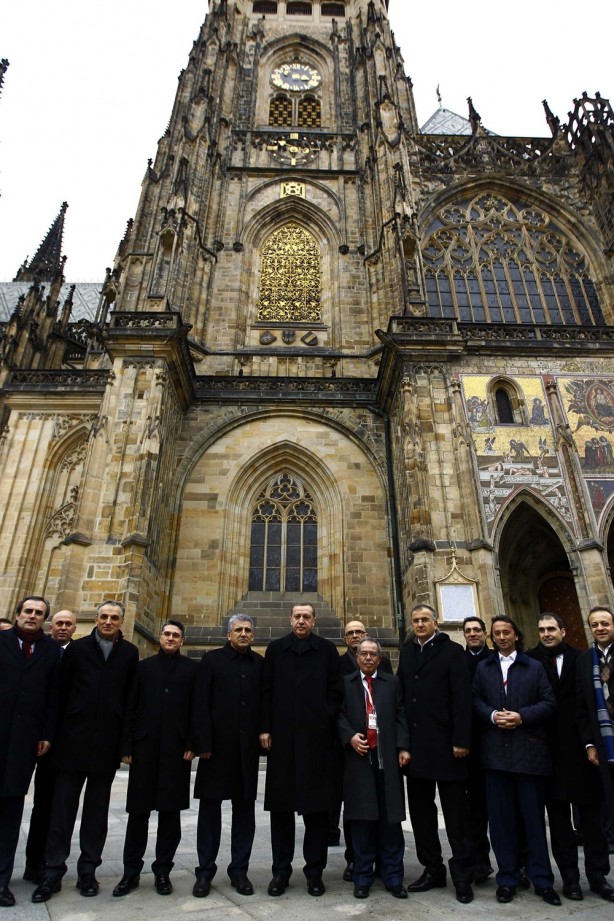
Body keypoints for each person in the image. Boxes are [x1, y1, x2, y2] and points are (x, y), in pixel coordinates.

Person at [32, 600, 138, 902]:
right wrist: (50, 736)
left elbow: (130, 702)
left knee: (96, 813)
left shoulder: (129, 653)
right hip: (71, 742)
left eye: (114, 618)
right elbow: (58, 695)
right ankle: (52, 872)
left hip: (105, 744)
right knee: (62, 811)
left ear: (121, 622)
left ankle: (88, 871)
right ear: (96, 619)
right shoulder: (76, 651)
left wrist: (124, 745)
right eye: (103, 617)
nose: (108, 621)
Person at [473, 615, 560, 905]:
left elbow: (548, 702)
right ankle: (507, 878)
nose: (501, 637)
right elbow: (475, 701)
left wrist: (522, 717)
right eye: (496, 633)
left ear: (516, 635)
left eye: (506, 632)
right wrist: (492, 715)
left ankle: (542, 880)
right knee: (500, 823)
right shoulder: (484, 668)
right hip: (496, 756)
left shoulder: (533, 667)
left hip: (529, 755)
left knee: (534, 821)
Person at [528, 612, 614, 902]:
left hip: (580, 748)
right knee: (559, 819)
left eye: (551, 628)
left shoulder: (582, 659)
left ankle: (598, 875)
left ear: (563, 631)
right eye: (541, 629)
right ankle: (570, 878)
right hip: (546, 750)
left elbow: (588, 703)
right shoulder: (529, 660)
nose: (546, 633)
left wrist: (591, 743)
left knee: (591, 817)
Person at [260, 602, 343, 897]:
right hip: (282, 741)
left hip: (316, 741)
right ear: (290, 619)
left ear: (314, 620)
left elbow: (336, 692)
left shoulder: (327, 651)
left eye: (307, 617)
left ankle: (314, 872)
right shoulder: (275, 650)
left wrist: (323, 718)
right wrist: (266, 728)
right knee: (281, 811)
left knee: (317, 812)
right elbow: (266, 691)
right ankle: (281, 871)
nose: (301, 621)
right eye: (297, 616)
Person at [113, 619, 197, 898]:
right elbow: (130, 708)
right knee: (138, 813)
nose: (171, 638)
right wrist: (126, 745)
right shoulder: (143, 668)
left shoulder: (191, 670)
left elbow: (197, 710)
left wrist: (192, 743)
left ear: (182, 640)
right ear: (159, 637)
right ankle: (131, 872)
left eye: (176, 635)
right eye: (167, 634)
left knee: (169, 814)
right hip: (144, 749)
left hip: (176, 751)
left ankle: (163, 871)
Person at [397, 603, 474, 903]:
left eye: (424, 620)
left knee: (456, 814)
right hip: (417, 749)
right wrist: (403, 744)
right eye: (415, 620)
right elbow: (401, 702)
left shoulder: (453, 652)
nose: (419, 624)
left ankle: (463, 873)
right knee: (421, 814)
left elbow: (462, 699)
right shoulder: (407, 653)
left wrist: (461, 740)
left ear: (435, 622)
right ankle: (433, 868)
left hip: (447, 746)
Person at [192, 615, 263, 898]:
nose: (243, 634)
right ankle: (205, 872)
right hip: (216, 749)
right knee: (210, 811)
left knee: (244, 812)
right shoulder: (211, 660)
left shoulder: (260, 663)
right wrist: (203, 743)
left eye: (248, 630)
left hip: (246, 751)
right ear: (228, 634)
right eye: (238, 630)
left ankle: (240, 871)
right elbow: (200, 703)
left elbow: (264, 703)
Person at [337, 637, 410, 899]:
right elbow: (338, 715)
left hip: (387, 758)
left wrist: (403, 747)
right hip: (358, 759)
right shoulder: (346, 683)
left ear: (380, 659)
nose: (368, 658)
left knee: (391, 821)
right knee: (362, 820)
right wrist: (349, 736)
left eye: (373, 654)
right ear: (356, 658)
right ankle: (363, 877)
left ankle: (393, 877)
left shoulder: (391, 683)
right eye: (363, 654)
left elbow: (401, 715)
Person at [0, 595, 60, 908]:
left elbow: (53, 697)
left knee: (11, 809)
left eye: (39, 613)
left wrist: (47, 734)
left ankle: (1, 880)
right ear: (18, 614)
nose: (33, 616)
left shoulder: (50, 650)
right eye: (28, 611)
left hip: (24, 743)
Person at [24, 610, 78, 883]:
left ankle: (51, 864)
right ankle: (33, 863)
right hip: (34, 738)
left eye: (68, 624)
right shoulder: (39, 652)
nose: (63, 628)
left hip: (65, 743)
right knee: (41, 805)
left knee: (61, 805)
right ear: (50, 625)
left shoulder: (77, 653)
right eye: (59, 623)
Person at [334, 620, 392, 876]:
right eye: (350, 633)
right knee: (355, 806)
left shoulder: (383, 664)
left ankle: (381, 858)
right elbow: (335, 707)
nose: (355, 636)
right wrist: (348, 737)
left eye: (359, 632)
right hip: (353, 747)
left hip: (381, 748)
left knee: (383, 802)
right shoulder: (337, 666)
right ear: (346, 639)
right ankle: (355, 859)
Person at [576, 605, 614, 901]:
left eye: (605, 623)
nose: (599, 628)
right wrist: (588, 744)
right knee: (597, 814)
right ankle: (598, 875)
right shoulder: (583, 661)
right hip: (599, 746)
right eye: (595, 624)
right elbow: (580, 708)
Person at [462, 616, 494, 883]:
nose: (472, 634)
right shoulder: (458, 659)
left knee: (506, 807)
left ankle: (516, 864)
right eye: (468, 631)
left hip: (499, 741)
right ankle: (479, 862)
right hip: (470, 745)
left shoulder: (499, 659)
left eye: (476, 630)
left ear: (486, 633)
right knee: (474, 810)